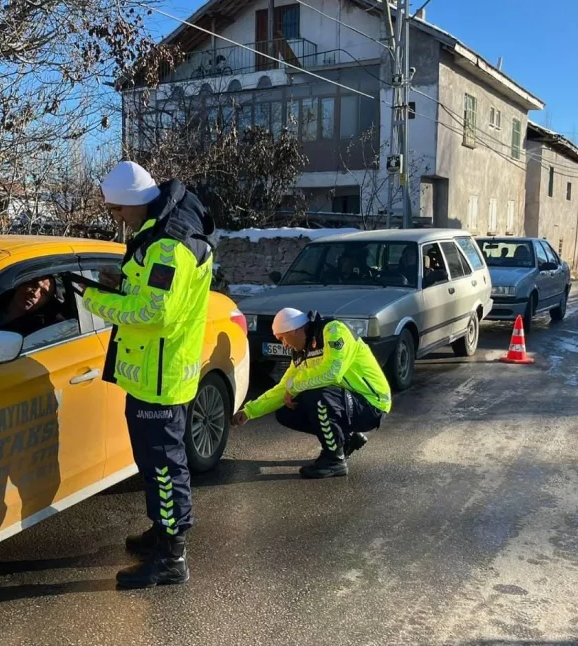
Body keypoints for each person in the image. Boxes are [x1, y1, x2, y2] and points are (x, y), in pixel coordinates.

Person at [81, 160, 215, 589]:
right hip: (153, 374)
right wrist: (117, 286)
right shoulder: (158, 233)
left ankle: (172, 557)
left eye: (118, 210)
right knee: (155, 463)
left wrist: (96, 302)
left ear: (136, 201)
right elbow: (149, 294)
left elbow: (155, 313)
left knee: (164, 468)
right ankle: (162, 531)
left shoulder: (170, 245)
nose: (117, 218)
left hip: (162, 379)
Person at [233, 308, 391, 478]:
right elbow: (284, 388)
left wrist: (295, 387)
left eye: (282, 338)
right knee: (286, 412)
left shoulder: (333, 330)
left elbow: (332, 371)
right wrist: (249, 411)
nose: (284, 344)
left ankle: (334, 460)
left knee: (315, 396)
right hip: (347, 401)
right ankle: (346, 439)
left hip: (372, 403)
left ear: (294, 330)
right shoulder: (301, 352)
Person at [0, 276, 66, 336]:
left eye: (43, 293)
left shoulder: (37, 330)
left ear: (46, 302)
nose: (35, 294)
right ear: (20, 283)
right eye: (34, 285)